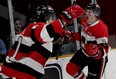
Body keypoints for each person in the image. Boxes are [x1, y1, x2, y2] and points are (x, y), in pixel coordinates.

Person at [1, 4, 84, 79]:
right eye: (51, 17)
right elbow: (44, 34)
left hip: (21, 74)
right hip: (16, 74)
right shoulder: (36, 27)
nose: (52, 20)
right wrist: (65, 18)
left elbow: (55, 34)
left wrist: (79, 37)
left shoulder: (36, 28)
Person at [65, 3, 110, 79]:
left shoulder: (101, 28)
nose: (86, 13)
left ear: (95, 14)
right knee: (71, 68)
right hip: (84, 52)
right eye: (86, 11)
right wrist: (72, 35)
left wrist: (96, 52)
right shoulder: (84, 21)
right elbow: (82, 37)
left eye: (90, 12)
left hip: (97, 60)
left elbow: (105, 48)